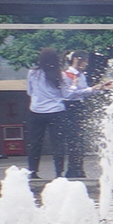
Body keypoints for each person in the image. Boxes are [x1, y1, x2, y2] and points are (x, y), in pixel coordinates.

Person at [22, 48, 70, 181]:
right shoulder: (61, 75)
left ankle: (33, 171)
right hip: (56, 111)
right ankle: (59, 173)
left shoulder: (32, 73)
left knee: (34, 143)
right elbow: (65, 94)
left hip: (36, 111)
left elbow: (30, 92)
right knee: (58, 143)